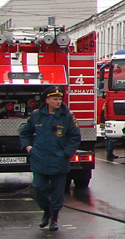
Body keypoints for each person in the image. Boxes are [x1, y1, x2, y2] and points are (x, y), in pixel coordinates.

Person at [20, 87, 82, 231]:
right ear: (47, 100)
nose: (58, 102)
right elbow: (25, 133)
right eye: (54, 99)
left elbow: (75, 137)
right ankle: (46, 211)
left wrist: (66, 153)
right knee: (39, 188)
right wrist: (29, 148)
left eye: (60, 99)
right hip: (40, 159)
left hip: (59, 160)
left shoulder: (67, 117)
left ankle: (54, 217)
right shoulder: (37, 116)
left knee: (58, 192)